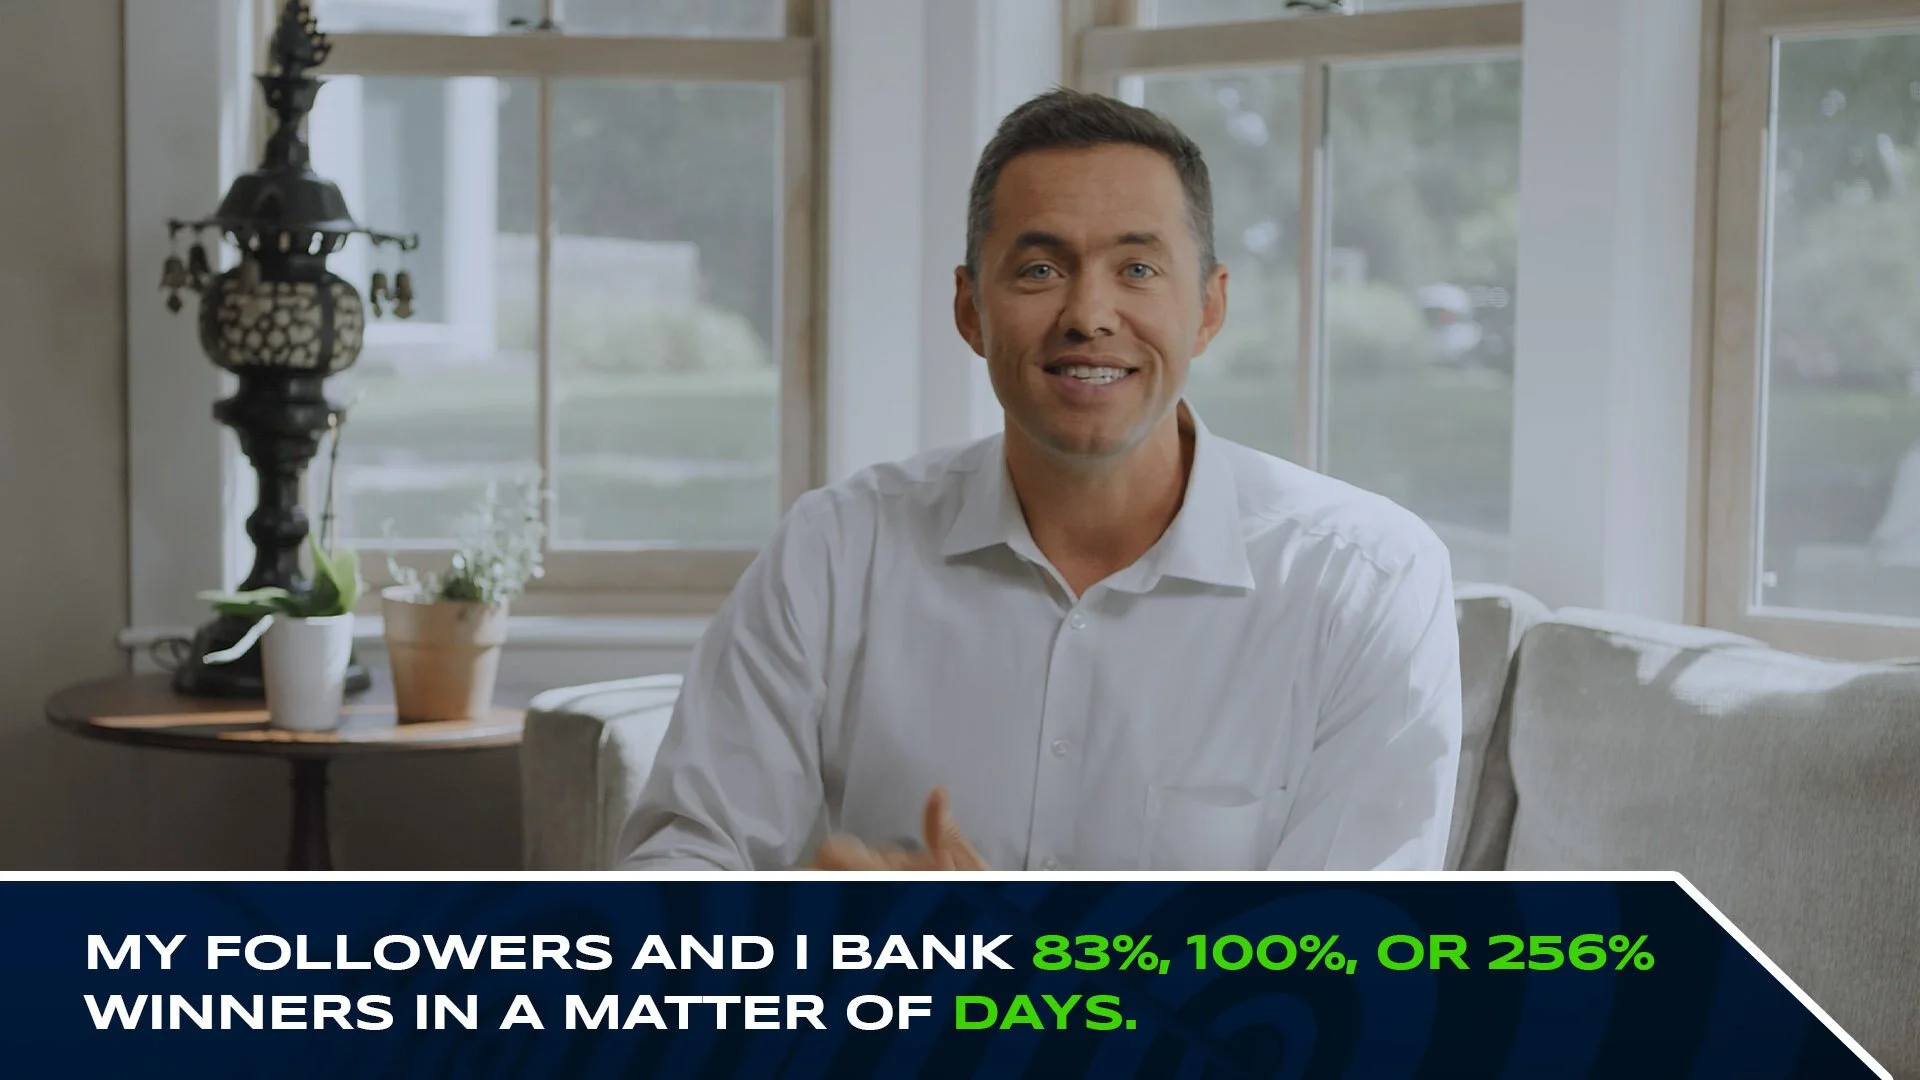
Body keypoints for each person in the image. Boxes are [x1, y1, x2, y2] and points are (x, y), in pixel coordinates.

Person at [619, 87, 1463, 872]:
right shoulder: (835, 550)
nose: (1088, 315)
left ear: (1209, 307)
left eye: (1138, 269)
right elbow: (680, 867)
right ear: (970, 310)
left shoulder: (1365, 580)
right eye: (1039, 271)